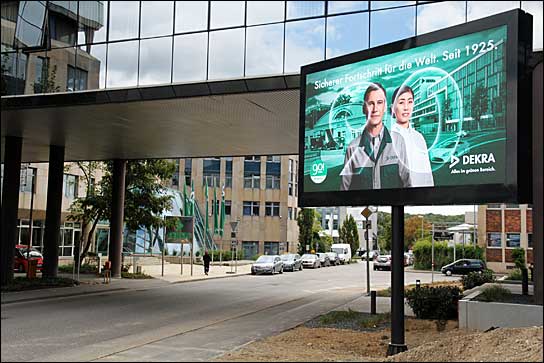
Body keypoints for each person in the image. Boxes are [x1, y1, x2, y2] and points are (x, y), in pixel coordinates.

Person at [340, 82, 411, 190]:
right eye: (370, 103)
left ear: (385, 107)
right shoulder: (352, 147)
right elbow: (343, 192)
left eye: (379, 102)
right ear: (364, 108)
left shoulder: (398, 141)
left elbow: (408, 185)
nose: (375, 109)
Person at [390, 85, 434, 187]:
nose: (406, 107)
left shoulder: (419, 138)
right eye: (401, 102)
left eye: (410, 102)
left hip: (422, 198)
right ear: (393, 108)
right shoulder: (388, 139)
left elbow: (428, 174)